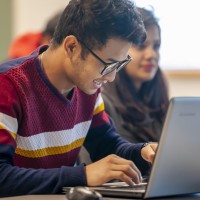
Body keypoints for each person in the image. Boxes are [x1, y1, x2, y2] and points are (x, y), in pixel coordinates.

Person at [0, 0, 157, 197]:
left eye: (119, 65)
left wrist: (143, 153)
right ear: (72, 46)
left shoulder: (87, 86)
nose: (111, 77)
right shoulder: (8, 85)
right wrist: (81, 175)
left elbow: (107, 146)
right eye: (108, 64)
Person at [102, 7, 169, 144]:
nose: (151, 55)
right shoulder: (103, 102)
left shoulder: (157, 99)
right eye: (141, 46)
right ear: (119, 50)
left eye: (156, 46)